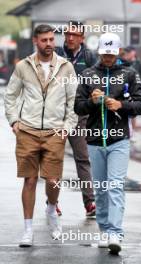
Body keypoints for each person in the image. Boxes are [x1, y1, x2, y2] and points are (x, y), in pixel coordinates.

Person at [4, 24, 78, 247]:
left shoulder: (65, 67)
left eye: (51, 40)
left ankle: (51, 209)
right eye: (44, 40)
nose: (49, 44)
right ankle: (28, 230)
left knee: (53, 180)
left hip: (55, 131)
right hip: (27, 130)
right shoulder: (23, 67)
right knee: (29, 179)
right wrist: (14, 121)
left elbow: (73, 101)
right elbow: (11, 96)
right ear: (35, 41)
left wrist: (67, 127)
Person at [74, 33, 141, 254]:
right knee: (101, 189)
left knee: (115, 186)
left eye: (111, 53)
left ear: (117, 52)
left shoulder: (129, 74)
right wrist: (93, 101)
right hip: (95, 140)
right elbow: (78, 107)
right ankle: (105, 230)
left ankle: (115, 232)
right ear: (99, 52)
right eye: (105, 53)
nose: (108, 57)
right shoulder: (87, 74)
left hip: (119, 141)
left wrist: (121, 105)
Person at [55, 21, 97, 217]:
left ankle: (90, 203)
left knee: (83, 159)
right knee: (53, 159)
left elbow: (96, 83)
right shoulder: (55, 53)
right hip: (56, 116)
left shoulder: (89, 57)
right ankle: (52, 202)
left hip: (80, 115)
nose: (70, 37)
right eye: (67, 33)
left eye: (74, 34)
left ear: (82, 37)